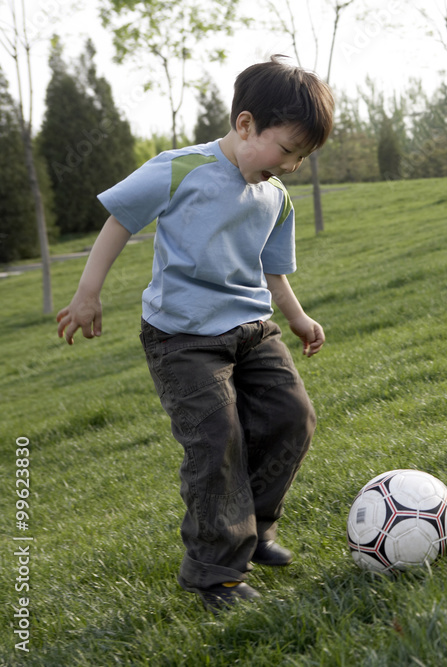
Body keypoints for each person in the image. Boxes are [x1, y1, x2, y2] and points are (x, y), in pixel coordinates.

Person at [56, 56, 335, 612]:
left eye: (302, 157)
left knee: (291, 416)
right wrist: (87, 293)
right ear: (246, 124)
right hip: (181, 339)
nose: (292, 165)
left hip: (251, 329)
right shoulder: (180, 168)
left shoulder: (275, 197)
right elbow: (120, 220)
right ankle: (215, 572)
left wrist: (298, 317)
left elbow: (270, 268)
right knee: (215, 442)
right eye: (287, 149)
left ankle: (256, 525)